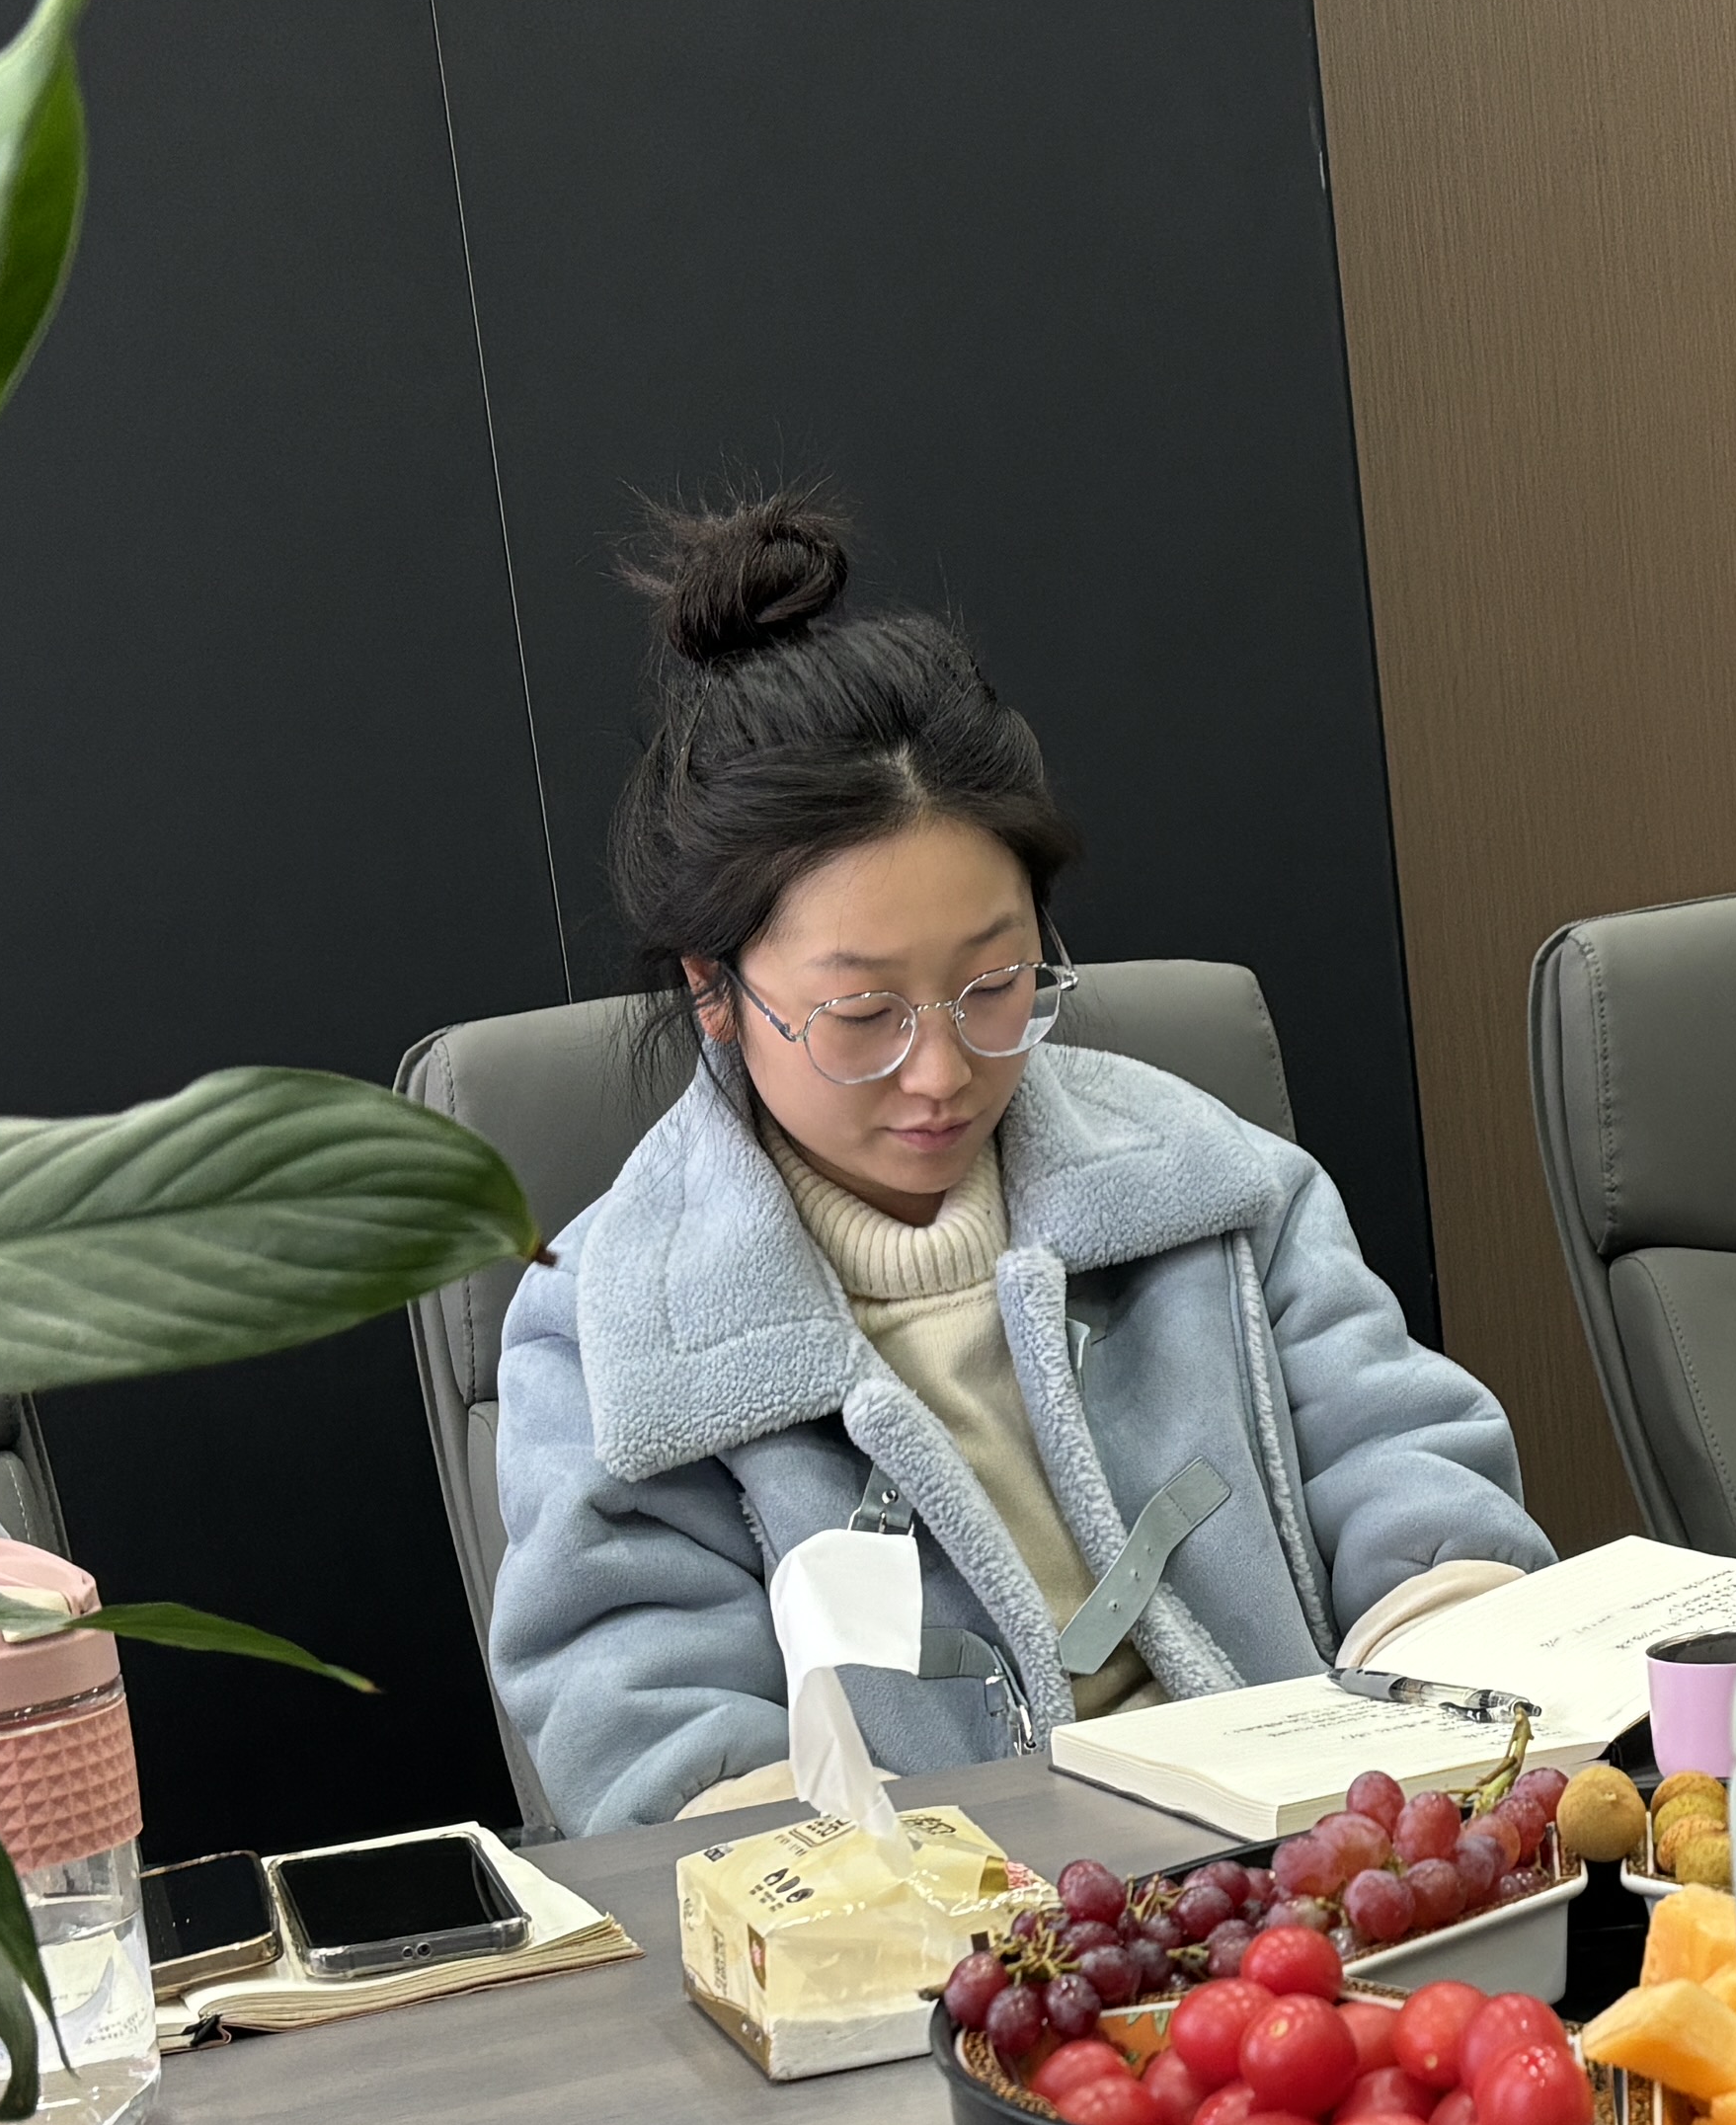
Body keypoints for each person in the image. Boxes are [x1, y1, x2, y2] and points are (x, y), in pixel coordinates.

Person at [493, 495, 1543, 1832]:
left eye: (994, 985)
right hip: (947, 1920)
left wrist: (1457, 1690)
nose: (940, 1072)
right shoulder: (605, 1330)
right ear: (715, 991)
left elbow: (1403, 1464)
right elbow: (661, 1734)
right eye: (861, 1014)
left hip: (1317, 1857)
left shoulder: (1212, 1180)